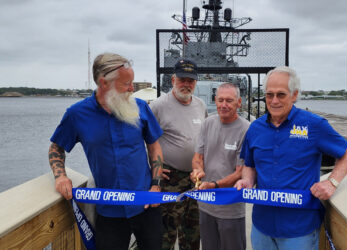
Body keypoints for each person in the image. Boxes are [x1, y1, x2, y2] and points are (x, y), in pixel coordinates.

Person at [48, 53, 164, 250]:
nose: (131, 89)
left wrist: (156, 185)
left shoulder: (141, 108)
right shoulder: (77, 114)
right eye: (126, 83)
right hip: (109, 210)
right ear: (103, 82)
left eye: (132, 83)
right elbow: (56, 147)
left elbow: (154, 147)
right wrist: (60, 177)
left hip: (146, 203)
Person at [235, 66, 347, 250]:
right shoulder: (255, 128)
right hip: (262, 226)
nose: (274, 101)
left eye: (281, 95)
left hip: (299, 230)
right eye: (269, 95)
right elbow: (250, 165)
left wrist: (332, 182)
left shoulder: (314, 125)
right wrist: (246, 181)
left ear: (294, 95)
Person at [150, 59, 207, 250]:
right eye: (182, 79)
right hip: (169, 179)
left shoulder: (200, 105)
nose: (186, 84)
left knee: (192, 231)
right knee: (166, 232)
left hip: (195, 179)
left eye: (191, 81)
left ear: (196, 82)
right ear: (173, 79)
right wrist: (152, 170)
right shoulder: (158, 106)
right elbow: (145, 140)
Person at [191, 83, 249, 250]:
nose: (224, 105)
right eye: (220, 100)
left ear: (239, 103)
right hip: (206, 205)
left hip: (230, 208)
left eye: (229, 101)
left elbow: (240, 173)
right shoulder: (207, 123)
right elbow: (198, 157)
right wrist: (197, 170)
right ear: (215, 101)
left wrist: (214, 185)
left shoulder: (246, 129)